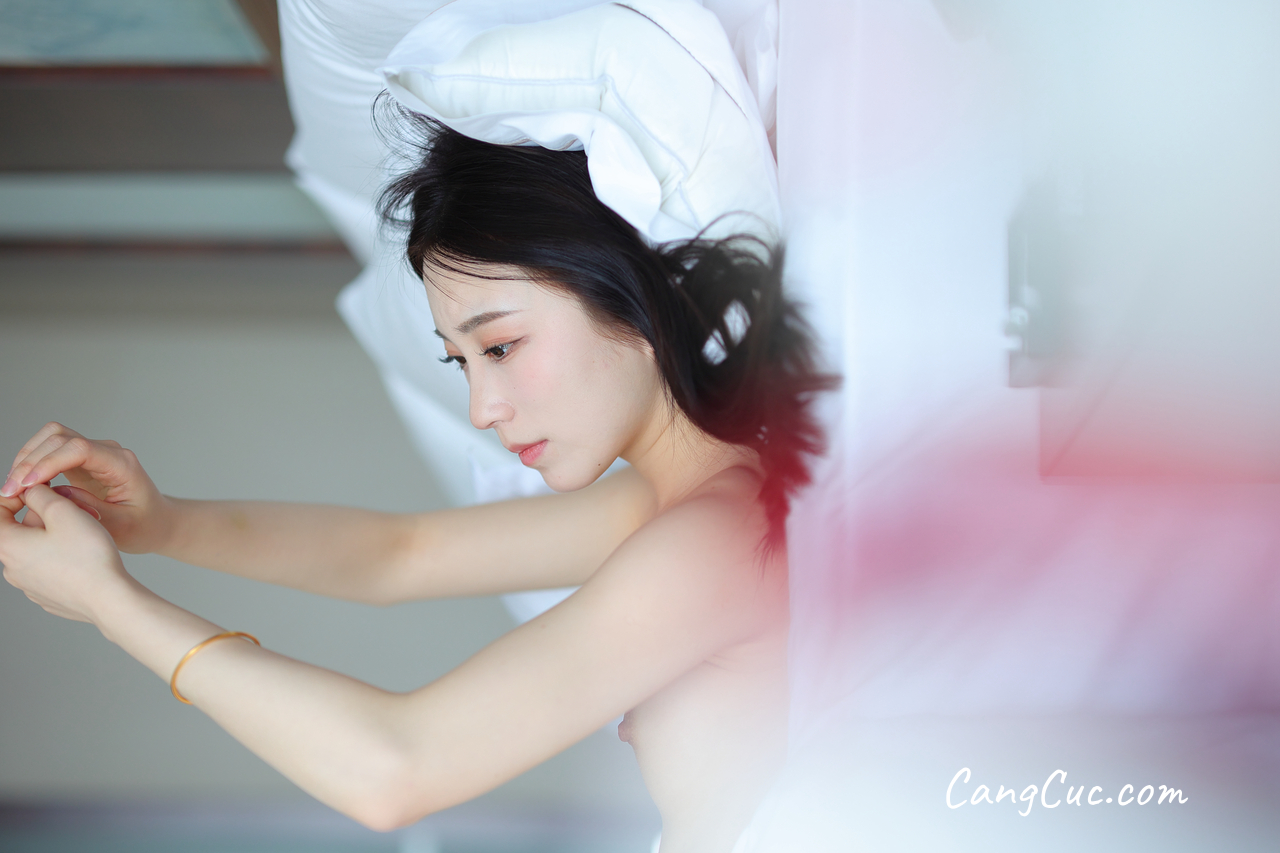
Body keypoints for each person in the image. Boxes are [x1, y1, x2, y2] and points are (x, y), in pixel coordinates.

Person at [0, 106, 834, 850]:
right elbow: (397, 554)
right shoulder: (677, 503)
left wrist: (109, 603)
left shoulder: (717, 537)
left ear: (634, 298)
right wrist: (161, 523)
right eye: (461, 360)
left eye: (501, 345)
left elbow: (396, 767)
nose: (482, 406)